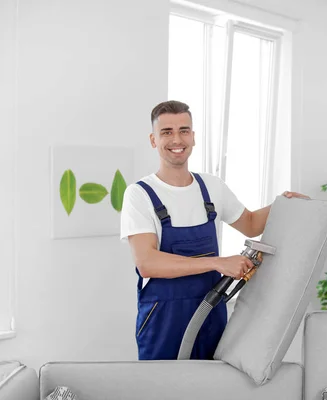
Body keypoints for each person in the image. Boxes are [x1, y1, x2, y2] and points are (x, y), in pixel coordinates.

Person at [120, 100, 308, 361]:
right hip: (163, 319)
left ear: (193, 137)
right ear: (153, 140)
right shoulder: (139, 195)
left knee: (213, 387)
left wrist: (284, 204)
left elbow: (251, 224)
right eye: (167, 132)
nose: (177, 139)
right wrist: (218, 263)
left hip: (211, 312)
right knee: (162, 390)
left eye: (184, 130)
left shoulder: (212, 187)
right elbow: (148, 263)